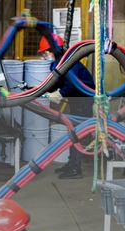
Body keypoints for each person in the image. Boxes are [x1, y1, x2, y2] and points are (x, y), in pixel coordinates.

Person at [38, 33, 95, 180]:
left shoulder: (68, 62)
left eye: (45, 52)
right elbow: (56, 81)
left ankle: (76, 169)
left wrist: (59, 94)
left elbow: (71, 84)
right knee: (72, 130)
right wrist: (41, 89)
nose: (44, 55)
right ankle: (71, 164)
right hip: (77, 99)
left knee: (78, 133)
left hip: (84, 99)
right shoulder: (58, 62)